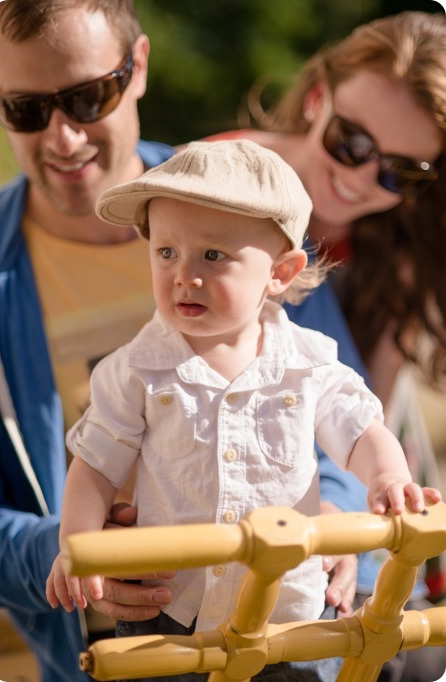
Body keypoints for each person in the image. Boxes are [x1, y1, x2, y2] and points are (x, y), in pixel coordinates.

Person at [46, 139, 441, 682]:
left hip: (292, 615)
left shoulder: (307, 363)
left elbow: (359, 430)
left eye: (213, 256)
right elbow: (93, 469)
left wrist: (389, 477)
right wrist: (76, 546)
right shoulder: (136, 370)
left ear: (280, 273)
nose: (185, 274)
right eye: (166, 252)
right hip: (174, 613)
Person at [204, 11, 446, 681]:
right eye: (350, 141)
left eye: (403, 172)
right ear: (316, 100)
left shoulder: (393, 254)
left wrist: (352, 510)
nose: (364, 180)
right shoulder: (219, 188)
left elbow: (372, 412)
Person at [0, 2, 176, 680]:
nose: (63, 139)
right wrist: (71, 550)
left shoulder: (245, 205)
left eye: (87, 97)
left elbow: (338, 405)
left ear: (141, 68)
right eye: (25, 111)